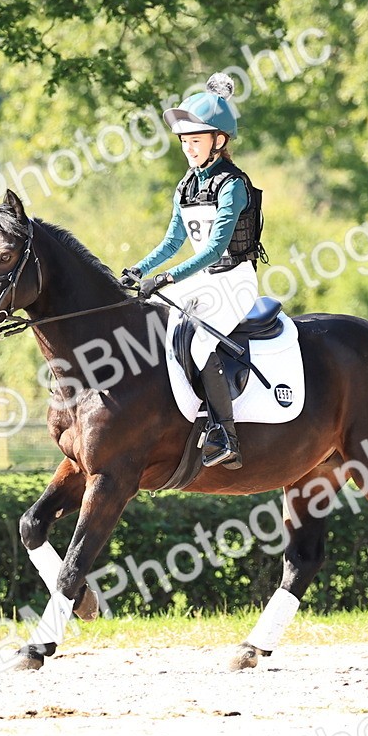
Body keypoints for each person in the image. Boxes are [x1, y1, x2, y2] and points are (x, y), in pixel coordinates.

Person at [120, 73, 265, 470]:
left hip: (235, 279)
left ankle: (225, 435)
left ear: (219, 140)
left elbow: (215, 249)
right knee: (151, 323)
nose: (188, 148)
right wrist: (138, 270)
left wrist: (167, 278)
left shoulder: (233, 186)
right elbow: (172, 242)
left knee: (200, 344)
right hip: (203, 279)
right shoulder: (185, 186)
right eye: (184, 141)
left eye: (195, 141)